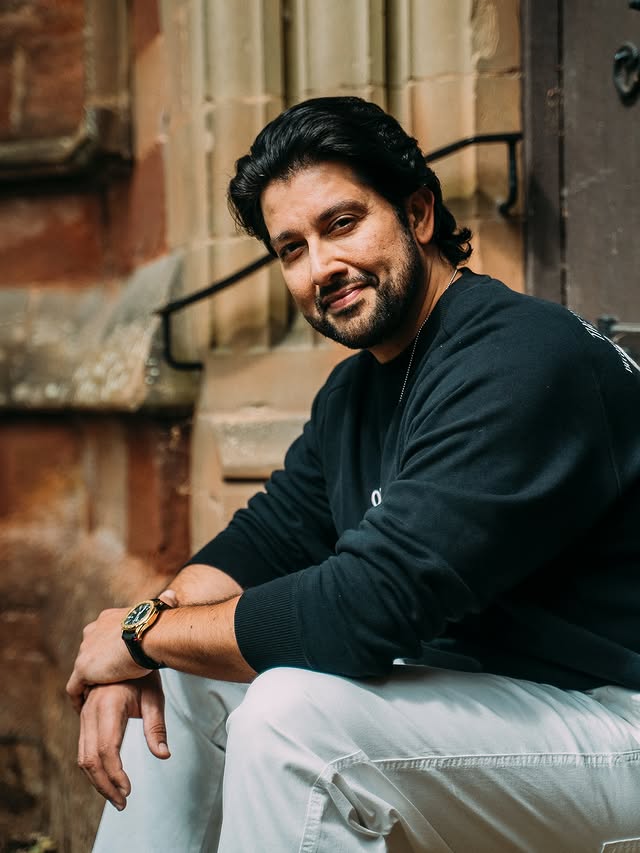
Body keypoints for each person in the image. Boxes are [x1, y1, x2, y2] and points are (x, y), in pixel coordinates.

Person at [67, 97, 640, 852]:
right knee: (182, 677)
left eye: (341, 224)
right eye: (291, 249)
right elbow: (260, 545)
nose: (321, 267)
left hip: (614, 718)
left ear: (419, 213)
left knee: (291, 716)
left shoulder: (520, 357)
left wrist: (139, 632)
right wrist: (139, 642)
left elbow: (367, 610)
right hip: (497, 709)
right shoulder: (354, 393)